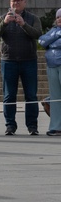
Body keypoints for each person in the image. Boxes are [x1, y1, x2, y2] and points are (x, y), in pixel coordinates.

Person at [0, 0, 42, 135]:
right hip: (9, 61)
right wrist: (5, 24)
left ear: (24, 2)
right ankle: (10, 125)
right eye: (13, 1)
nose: (16, 4)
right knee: (9, 95)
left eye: (19, 1)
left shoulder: (33, 18)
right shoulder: (2, 18)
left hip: (29, 61)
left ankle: (32, 126)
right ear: (10, 2)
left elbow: (38, 34)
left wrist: (23, 24)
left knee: (31, 95)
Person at [38, 8, 61, 136]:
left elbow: (48, 42)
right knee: (56, 97)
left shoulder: (51, 34)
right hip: (52, 66)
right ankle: (56, 126)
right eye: (57, 17)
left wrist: (51, 42)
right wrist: (56, 36)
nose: (59, 19)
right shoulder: (54, 31)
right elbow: (41, 41)